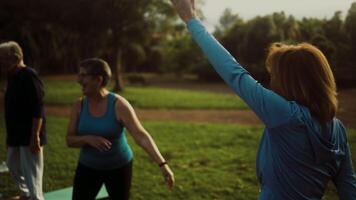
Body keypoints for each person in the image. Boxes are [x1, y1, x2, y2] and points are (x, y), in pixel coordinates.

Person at [170, 0, 356, 199]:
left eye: (274, 75)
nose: (271, 81)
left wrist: (191, 20)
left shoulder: (286, 115)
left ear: (290, 82)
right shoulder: (338, 129)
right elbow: (348, 186)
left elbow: (234, 73)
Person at [66, 58, 175, 200]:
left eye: (83, 75)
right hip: (88, 167)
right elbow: (69, 140)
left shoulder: (118, 105)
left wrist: (163, 164)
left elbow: (140, 135)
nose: (78, 79)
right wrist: (87, 139)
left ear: (98, 79)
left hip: (119, 167)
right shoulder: (79, 105)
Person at [0, 41, 46, 200]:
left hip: (29, 134)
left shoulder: (28, 75)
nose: (0, 62)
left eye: (2, 58)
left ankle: (35, 197)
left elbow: (37, 107)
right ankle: (26, 194)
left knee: (32, 173)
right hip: (15, 135)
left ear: (15, 57)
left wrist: (35, 135)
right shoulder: (12, 77)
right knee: (12, 165)